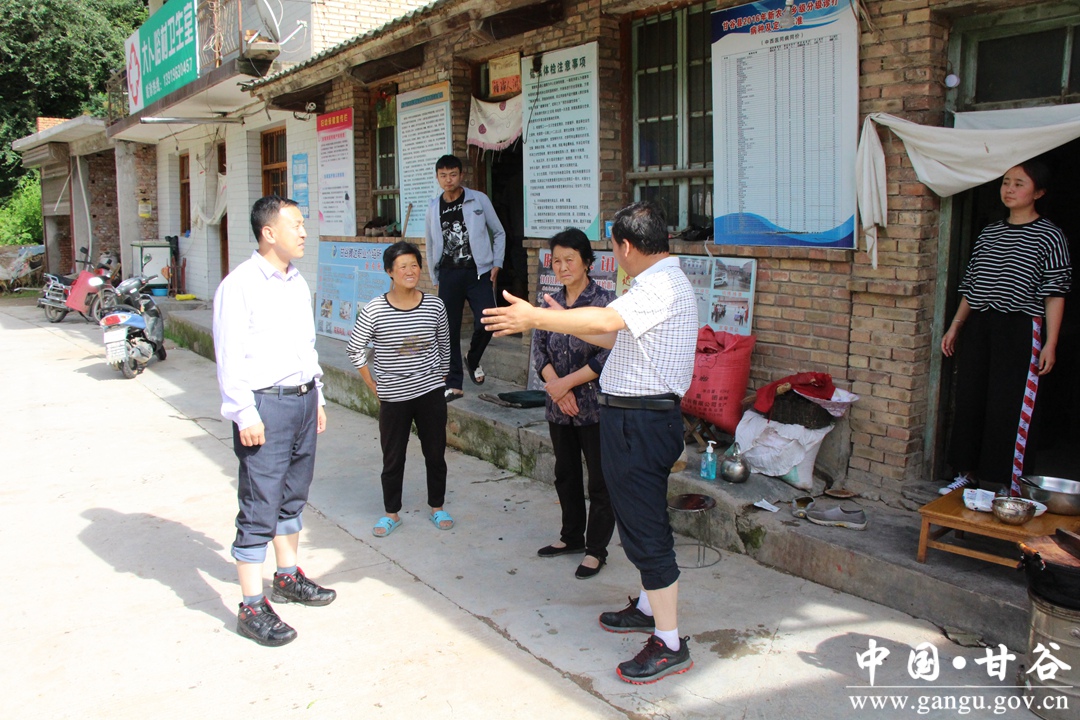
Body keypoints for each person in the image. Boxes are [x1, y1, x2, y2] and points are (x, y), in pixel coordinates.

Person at [483, 201, 697, 684]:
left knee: (646, 531)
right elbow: (617, 339)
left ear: (626, 246)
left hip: (641, 423)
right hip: (636, 421)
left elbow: (603, 324)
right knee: (640, 521)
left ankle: (669, 643)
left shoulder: (659, 286)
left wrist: (536, 317)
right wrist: (560, 318)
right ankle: (649, 608)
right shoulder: (659, 283)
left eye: (614, 249)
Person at [212, 196, 335, 648]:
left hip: (302, 401)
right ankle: (250, 605)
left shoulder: (297, 282)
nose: (303, 232)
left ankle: (286, 577)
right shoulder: (239, 285)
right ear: (269, 233)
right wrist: (244, 412)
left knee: (292, 495)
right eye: (295, 225)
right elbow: (228, 356)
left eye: (303, 224)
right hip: (264, 406)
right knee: (259, 502)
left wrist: (317, 395)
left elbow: (306, 346)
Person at [940, 160, 1072, 495]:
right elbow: (973, 285)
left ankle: (1006, 483)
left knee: (1009, 404)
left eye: (1019, 184)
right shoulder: (990, 232)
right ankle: (967, 472)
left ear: (1038, 192)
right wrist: (956, 326)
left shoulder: (1050, 235)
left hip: (1021, 328)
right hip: (981, 326)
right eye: (1005, 182)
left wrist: (1051, 343)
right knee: (971, 398)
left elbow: (1055, 293)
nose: (1009, 189)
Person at [346, 241, 453, 536]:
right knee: (393, 456)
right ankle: (391, 513)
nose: (410, 271)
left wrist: (440, 377)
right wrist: (372, 384)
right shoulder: (375, 310)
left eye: (414, 265)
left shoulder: (435, 305)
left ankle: (437, 506)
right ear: (389, 272)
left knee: (435, 453)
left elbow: (445, 345)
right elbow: (354, 348)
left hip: (430, 392)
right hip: (393, 397)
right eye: (403, 266)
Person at [531, 228, 615, 580]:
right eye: (556, 261)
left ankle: (596, 549)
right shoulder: (549, 304)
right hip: (558, 406)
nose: (562, 267)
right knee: (565, 474)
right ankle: (571, 537)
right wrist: (557, 388)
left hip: (594, 407)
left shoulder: (605, 303)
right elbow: (539, 350)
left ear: (587, 262)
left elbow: (608, 354)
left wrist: (567, 384)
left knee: (600, 480)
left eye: (570, 260)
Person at [425, 154, 506, 401]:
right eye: (443, 175)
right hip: (448, 274)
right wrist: (434, 274)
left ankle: (472, 357)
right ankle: (454, 383)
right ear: (437, 177)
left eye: (453, 174)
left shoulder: (478, 199)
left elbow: (499, 232)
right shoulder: (433, 207)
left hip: (478, 272)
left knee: (489, 321)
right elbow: (430, 244)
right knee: (448, 329)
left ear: (461, 175)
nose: (448, 180)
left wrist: (497, 263)